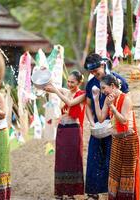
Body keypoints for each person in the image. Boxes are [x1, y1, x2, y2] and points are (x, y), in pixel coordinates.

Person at [84, 53, 129, 199]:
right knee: (94, 157)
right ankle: (94, 192)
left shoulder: (117, 80)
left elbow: (125, 105)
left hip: (116, 127)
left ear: (103, 65)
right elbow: (89, 107)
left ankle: (113, 192)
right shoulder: (91, 84)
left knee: (112, 159)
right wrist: (93, 124)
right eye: (91, 72)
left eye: (95, 71)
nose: (93, 74)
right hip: (99, 126)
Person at [93, 74, 140, 200]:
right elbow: (101, 118)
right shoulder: (109, 98)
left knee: (126, 175)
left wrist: (112, 107)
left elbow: (124, 120)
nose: (102, 92)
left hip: (128, 141)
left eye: (104, 88)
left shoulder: (125, 98)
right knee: (114, 174)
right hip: (116, 140)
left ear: (112, 86)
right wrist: (96, 100)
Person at [44, 70, 86, 200]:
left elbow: (70, 103)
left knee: (72, 160)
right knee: (61, 160)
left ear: (79, 83)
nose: (69, 84)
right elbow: (49, 87)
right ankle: (60, 192)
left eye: (72, 82)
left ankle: (71, 192)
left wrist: (57, 91)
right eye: (68, 81)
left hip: (73, 130)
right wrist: (45, 79)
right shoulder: (65, 91)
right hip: (62, 129)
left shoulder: (82, 94)